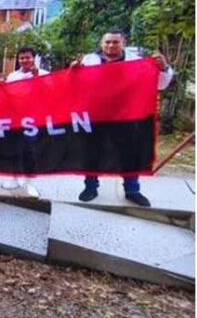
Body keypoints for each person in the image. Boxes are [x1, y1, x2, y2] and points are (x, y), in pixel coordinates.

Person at [71, 28, 173, 207]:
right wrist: (73, 72)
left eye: (115, 42)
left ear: (123, 43)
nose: (111, 45)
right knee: (92, 152)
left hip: (127, 116)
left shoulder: (138, 62)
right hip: (96, 115)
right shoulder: (89, 60)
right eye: (107, 42)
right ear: (101, 44)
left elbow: (161, 85)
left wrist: (164, 68)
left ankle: (132, 190)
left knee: (130, 153)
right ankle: (90, 187)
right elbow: (75, 86)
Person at [3, 46, 49, 196]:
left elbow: (49, 94)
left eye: (28, 57)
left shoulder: (44, 74)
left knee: (31, 151)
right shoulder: (12, 76)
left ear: (34, 58)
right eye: (22, 58)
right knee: (14, 149)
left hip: (34, 120)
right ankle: (14, 177)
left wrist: (36, 77)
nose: (25, 61)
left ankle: (30, 183)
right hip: (14, 118)